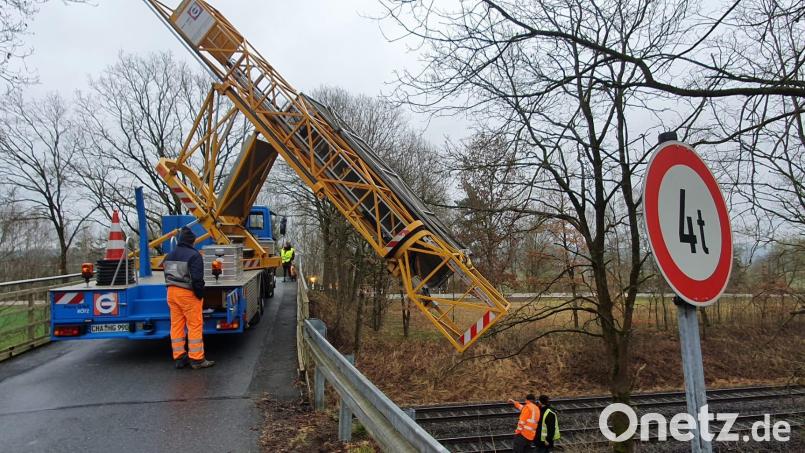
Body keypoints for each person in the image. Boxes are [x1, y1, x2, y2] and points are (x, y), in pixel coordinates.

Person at [163, 227, 215, 369]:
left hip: (171, 293)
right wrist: (200, 294)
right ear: (192, 242)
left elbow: (166, 275)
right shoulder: (194, 255)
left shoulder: (169, 256)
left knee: (176, 325)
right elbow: (197, 279)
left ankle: (179, 357)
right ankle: (197, 359)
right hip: (187, 294)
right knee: (194, 325)